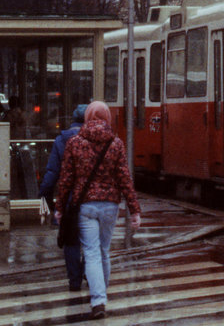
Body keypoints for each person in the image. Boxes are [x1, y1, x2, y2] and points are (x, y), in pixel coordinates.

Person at [55, 101, 141, 320]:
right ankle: (102, 295)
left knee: (91, 253)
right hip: (110, 206)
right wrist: (135, 210)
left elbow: (66, 179)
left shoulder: (75, 143)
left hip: (85, 206)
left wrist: (59, 208)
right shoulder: (116, 143)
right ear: (107, 118)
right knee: (103, 251)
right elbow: (125, 178)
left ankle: (98, 300)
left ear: (88, 118)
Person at [38, 103, 89, 291]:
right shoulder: (94, 138)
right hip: (92, 198)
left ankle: (74, 281)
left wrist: (44, 194)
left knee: (71, 241)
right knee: (91, 243)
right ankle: (90, 273)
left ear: (73, 120)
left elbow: (52, 173)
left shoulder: (62, 140)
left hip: (69, 200)